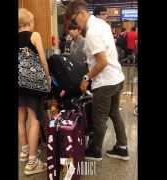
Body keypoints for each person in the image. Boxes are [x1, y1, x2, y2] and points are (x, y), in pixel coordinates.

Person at [66, 0, 129, 161]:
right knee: (114, 113)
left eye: (74, 19)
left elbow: (101, 62)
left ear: (80, 13)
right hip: (117, 77)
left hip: (105, 81)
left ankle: (95, 151)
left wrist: (86, 78)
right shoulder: (101, 23)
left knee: (98, 118)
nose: (75, 24)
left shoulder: (92, 32)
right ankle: (122, 148)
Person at [18, 8, 50, 175]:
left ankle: (24, 152)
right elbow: (43, 60)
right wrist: (48, 77)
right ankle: (32, 162)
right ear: (29, 23)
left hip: (18, 83)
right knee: (34, 119)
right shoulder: (34, 35)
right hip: (33, 84)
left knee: (20, 119)